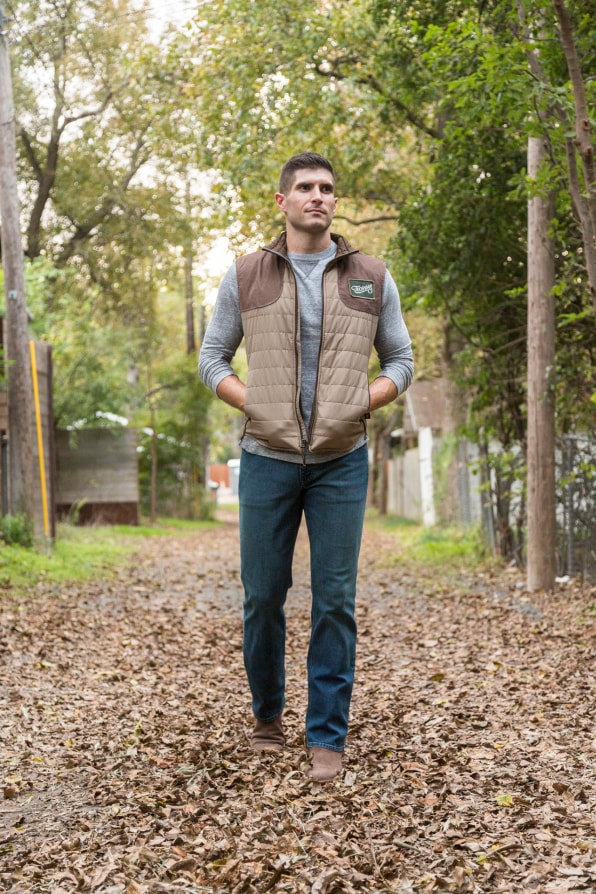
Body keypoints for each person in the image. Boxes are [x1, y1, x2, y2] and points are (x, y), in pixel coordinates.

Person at [199, 152, 413, 783]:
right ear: (282, 201)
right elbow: (214, 358)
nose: (318, 197)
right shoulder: (246, 275)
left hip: (341, 461)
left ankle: (327, 735)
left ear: (334, 202)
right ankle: (268, 715)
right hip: (265, 458)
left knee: (335, 601)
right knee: (263, 597)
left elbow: (399, 360)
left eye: (327, 189)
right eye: (306, 188)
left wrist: (359, 402)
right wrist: (256, 402)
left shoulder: (370, 276)